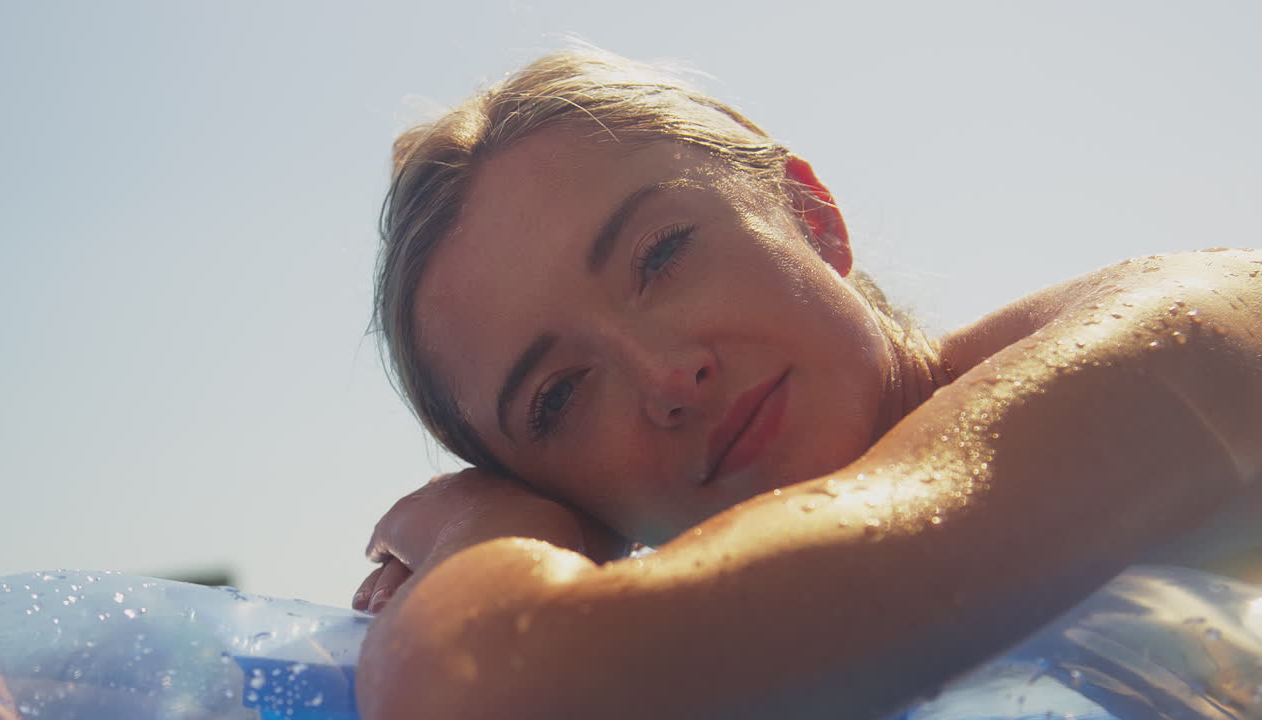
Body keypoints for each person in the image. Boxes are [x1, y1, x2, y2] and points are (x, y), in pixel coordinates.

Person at [352, 47, 1262, 719]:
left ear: (812, 217)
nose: (670, 377)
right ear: (569, 502)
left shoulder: (1189, 336)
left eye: (663, 253)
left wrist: (481, 528)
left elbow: (478, 684)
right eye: (557, 396)